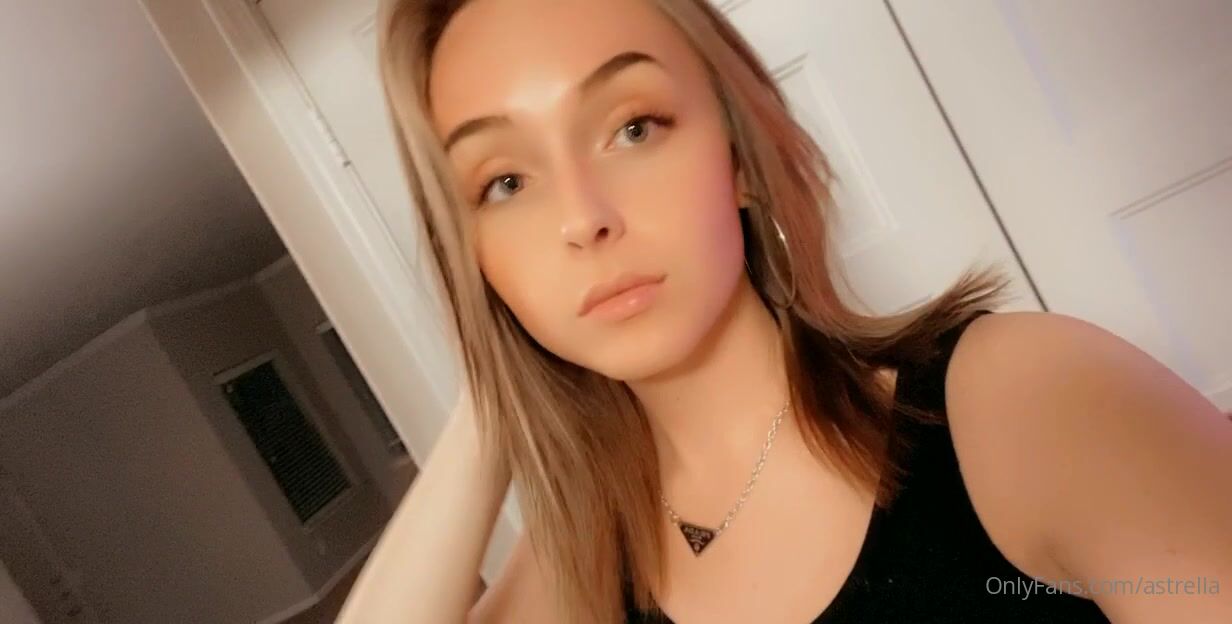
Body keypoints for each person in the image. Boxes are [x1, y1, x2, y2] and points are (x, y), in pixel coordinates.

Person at [337, 0, 1232, 621]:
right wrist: (495, 387)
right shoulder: (580, 565)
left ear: (738, 151)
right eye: (504, 182)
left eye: (633, 128)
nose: (582, 218)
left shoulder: (1024, 399)